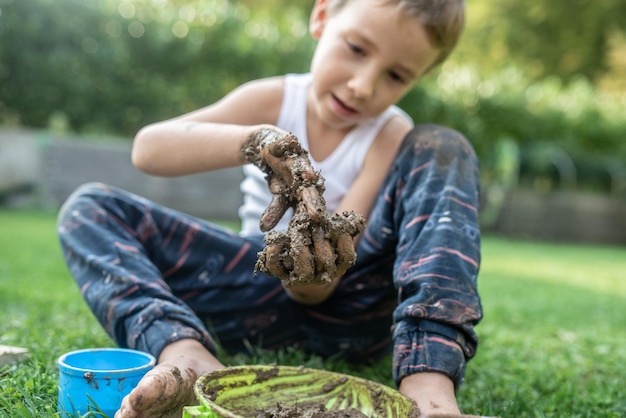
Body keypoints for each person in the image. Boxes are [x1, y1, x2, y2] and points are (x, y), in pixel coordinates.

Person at [57, 0, 484, 416]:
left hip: (353, 311)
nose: (363, 85)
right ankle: (185, 351)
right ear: (321, 17)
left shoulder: (390, 134)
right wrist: (256, 142)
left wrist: (306, 247)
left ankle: (430, 394)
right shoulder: (275, 100)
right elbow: (148, 148)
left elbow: (321, 287)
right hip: (246, 294)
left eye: (395, 75)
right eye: (356, 49)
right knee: (89, 209)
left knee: (443, 147)